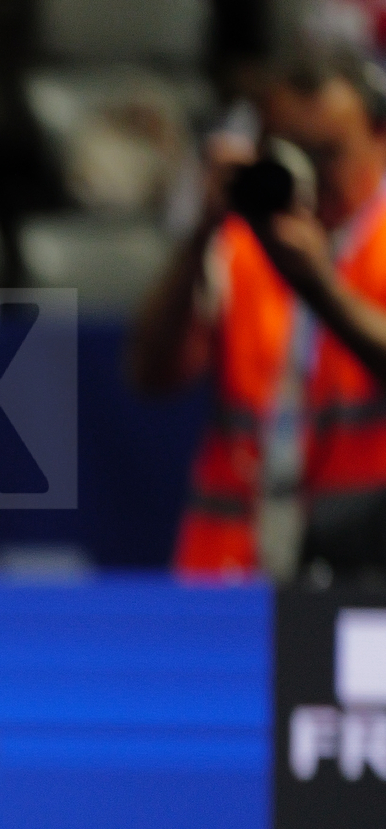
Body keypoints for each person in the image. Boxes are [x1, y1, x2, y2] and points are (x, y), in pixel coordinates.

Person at [130, 42, 386, 581]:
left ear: (379, 138)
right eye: (290, 152)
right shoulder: (238, 244)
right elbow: (151, 374)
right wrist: (200, 232)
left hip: (362, 567)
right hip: (230, 566)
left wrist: (318, 286)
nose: (309, 174)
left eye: (328, 153)